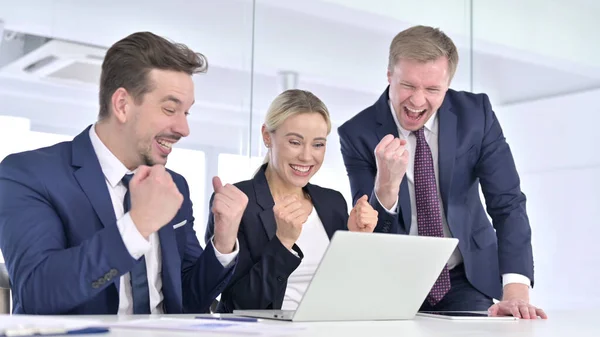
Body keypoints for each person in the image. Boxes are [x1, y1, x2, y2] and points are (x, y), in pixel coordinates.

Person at [0, 31, 248, 315]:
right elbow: (37, 293)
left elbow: (188, 300)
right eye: (170, 109)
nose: (184, 129)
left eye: (186, 113)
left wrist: (224, 241)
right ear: (122, 105)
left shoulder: (173, 185)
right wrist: (138, 224)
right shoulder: (29, 174)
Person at [337, 25, 547, 319]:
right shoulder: (356, 133)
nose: (418, 101)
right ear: (389, 76)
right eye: (408, 85)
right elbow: (365, 232)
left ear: (447, 85)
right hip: (393, 280)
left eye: (433, 89)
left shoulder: (477, 115)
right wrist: (385, 187)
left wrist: (515, 289)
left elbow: (507, 202)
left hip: (463, 275)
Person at [205, 89, 378, 313]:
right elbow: (235, 305)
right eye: (295, 142)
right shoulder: (237, 203)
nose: (307, 157)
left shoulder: (332, 202)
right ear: (267, 136)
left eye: (318, 144)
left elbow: (349, 291)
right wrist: (283, 243)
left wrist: (356, 242)